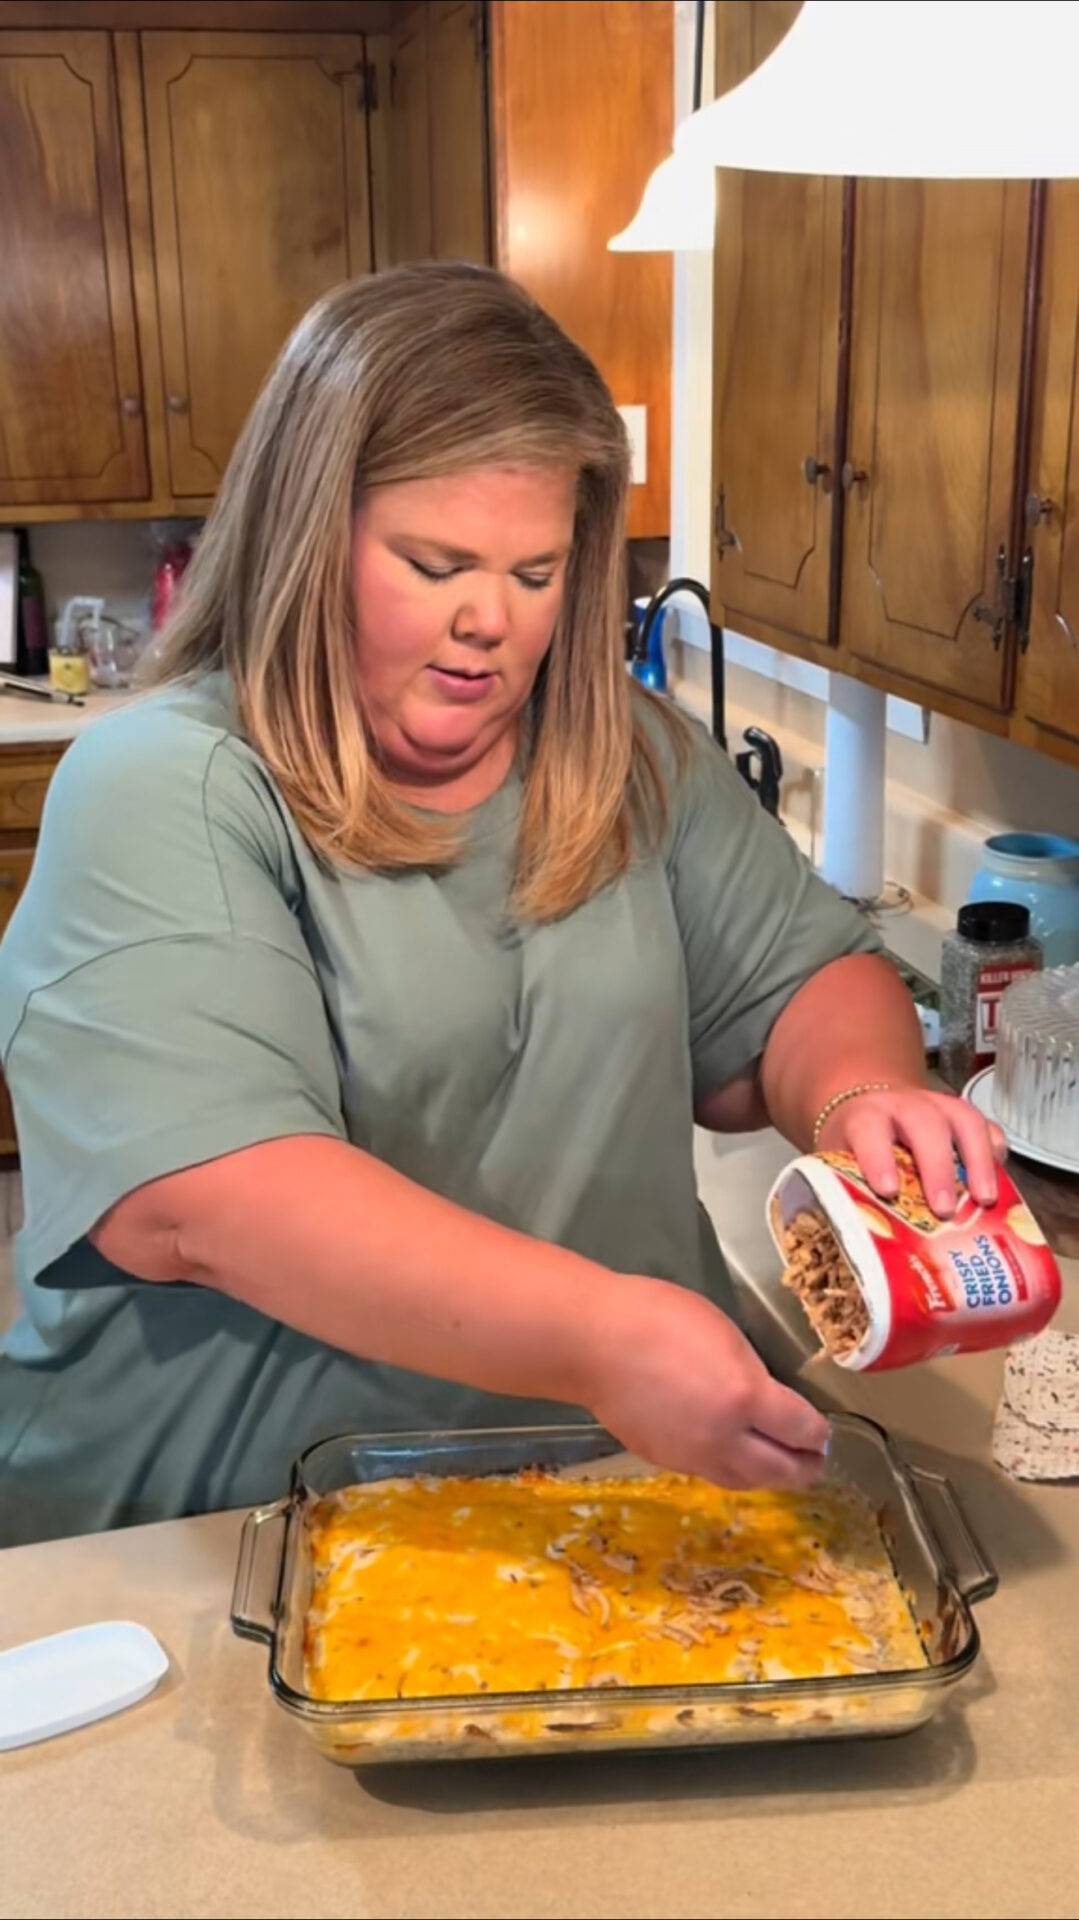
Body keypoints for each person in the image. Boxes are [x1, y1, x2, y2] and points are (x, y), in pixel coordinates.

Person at [0, 265, 1002, 1547]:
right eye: (434, 564)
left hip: (598, 1491)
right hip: (218, 1517)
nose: (490, 623)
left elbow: (806, 983)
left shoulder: (624, 754)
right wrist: (596, 1336)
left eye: (535, 572)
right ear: (306, 539)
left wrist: (861, 1099)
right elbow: (206, 1202)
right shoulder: (164, 785)